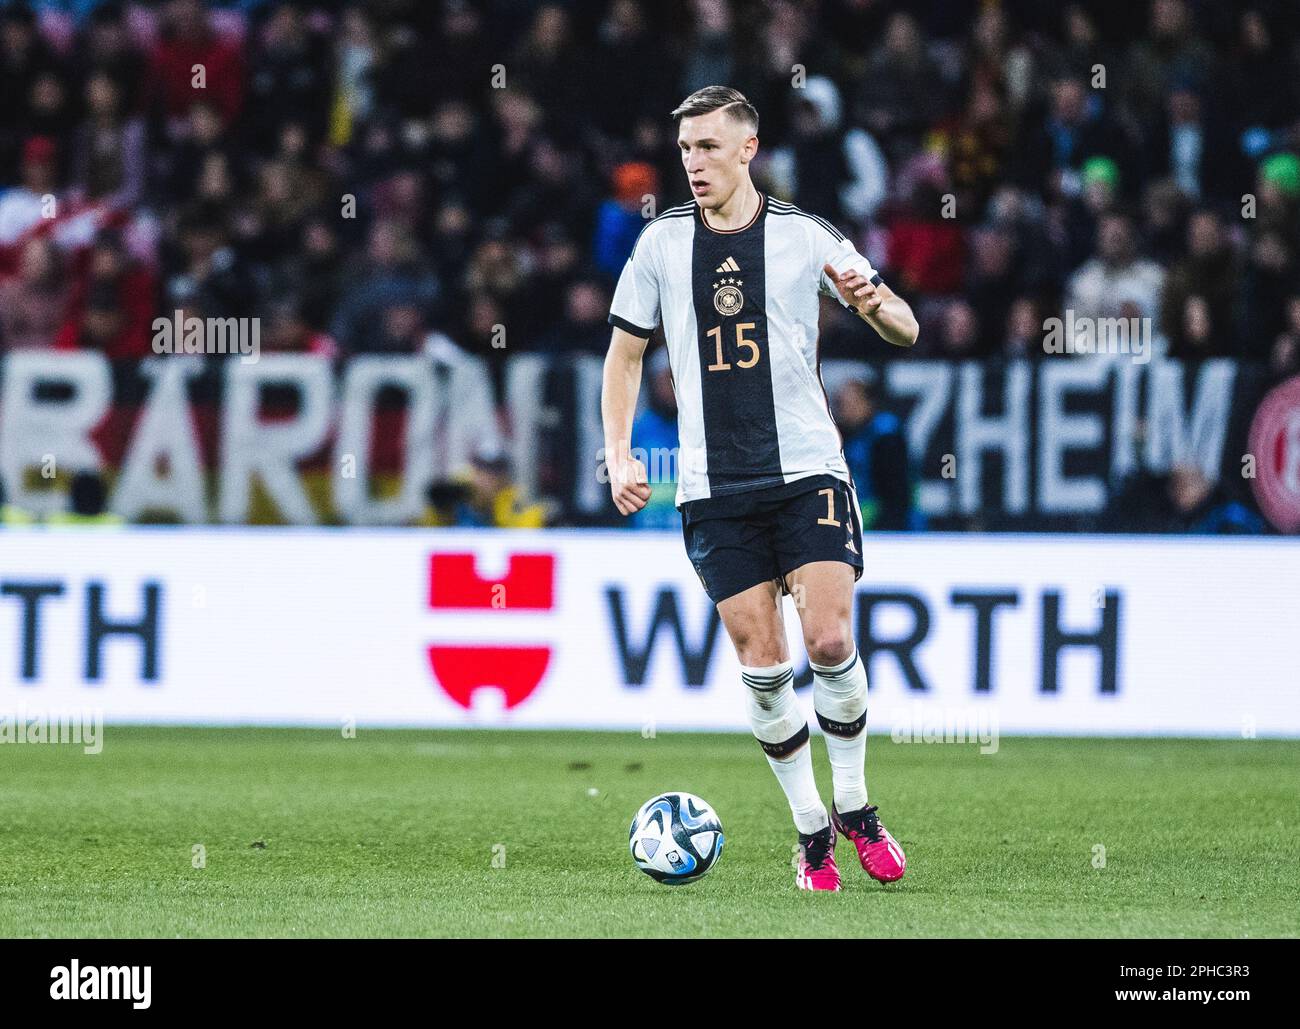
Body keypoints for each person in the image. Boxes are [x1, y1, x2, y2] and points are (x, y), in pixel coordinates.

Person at [601, 86, 917, 893]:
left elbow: (906, 328)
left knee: (829, 642)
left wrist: (877, 308)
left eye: (708, 147)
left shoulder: (806, 238)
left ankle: (855, 804)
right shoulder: (662, 246)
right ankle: (811, 829)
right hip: (713, 486)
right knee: (763, 662)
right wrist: (621, 453)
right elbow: (625, 356)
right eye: (684, 151)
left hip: (808, 467)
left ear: (748, 149)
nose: (693, 164)